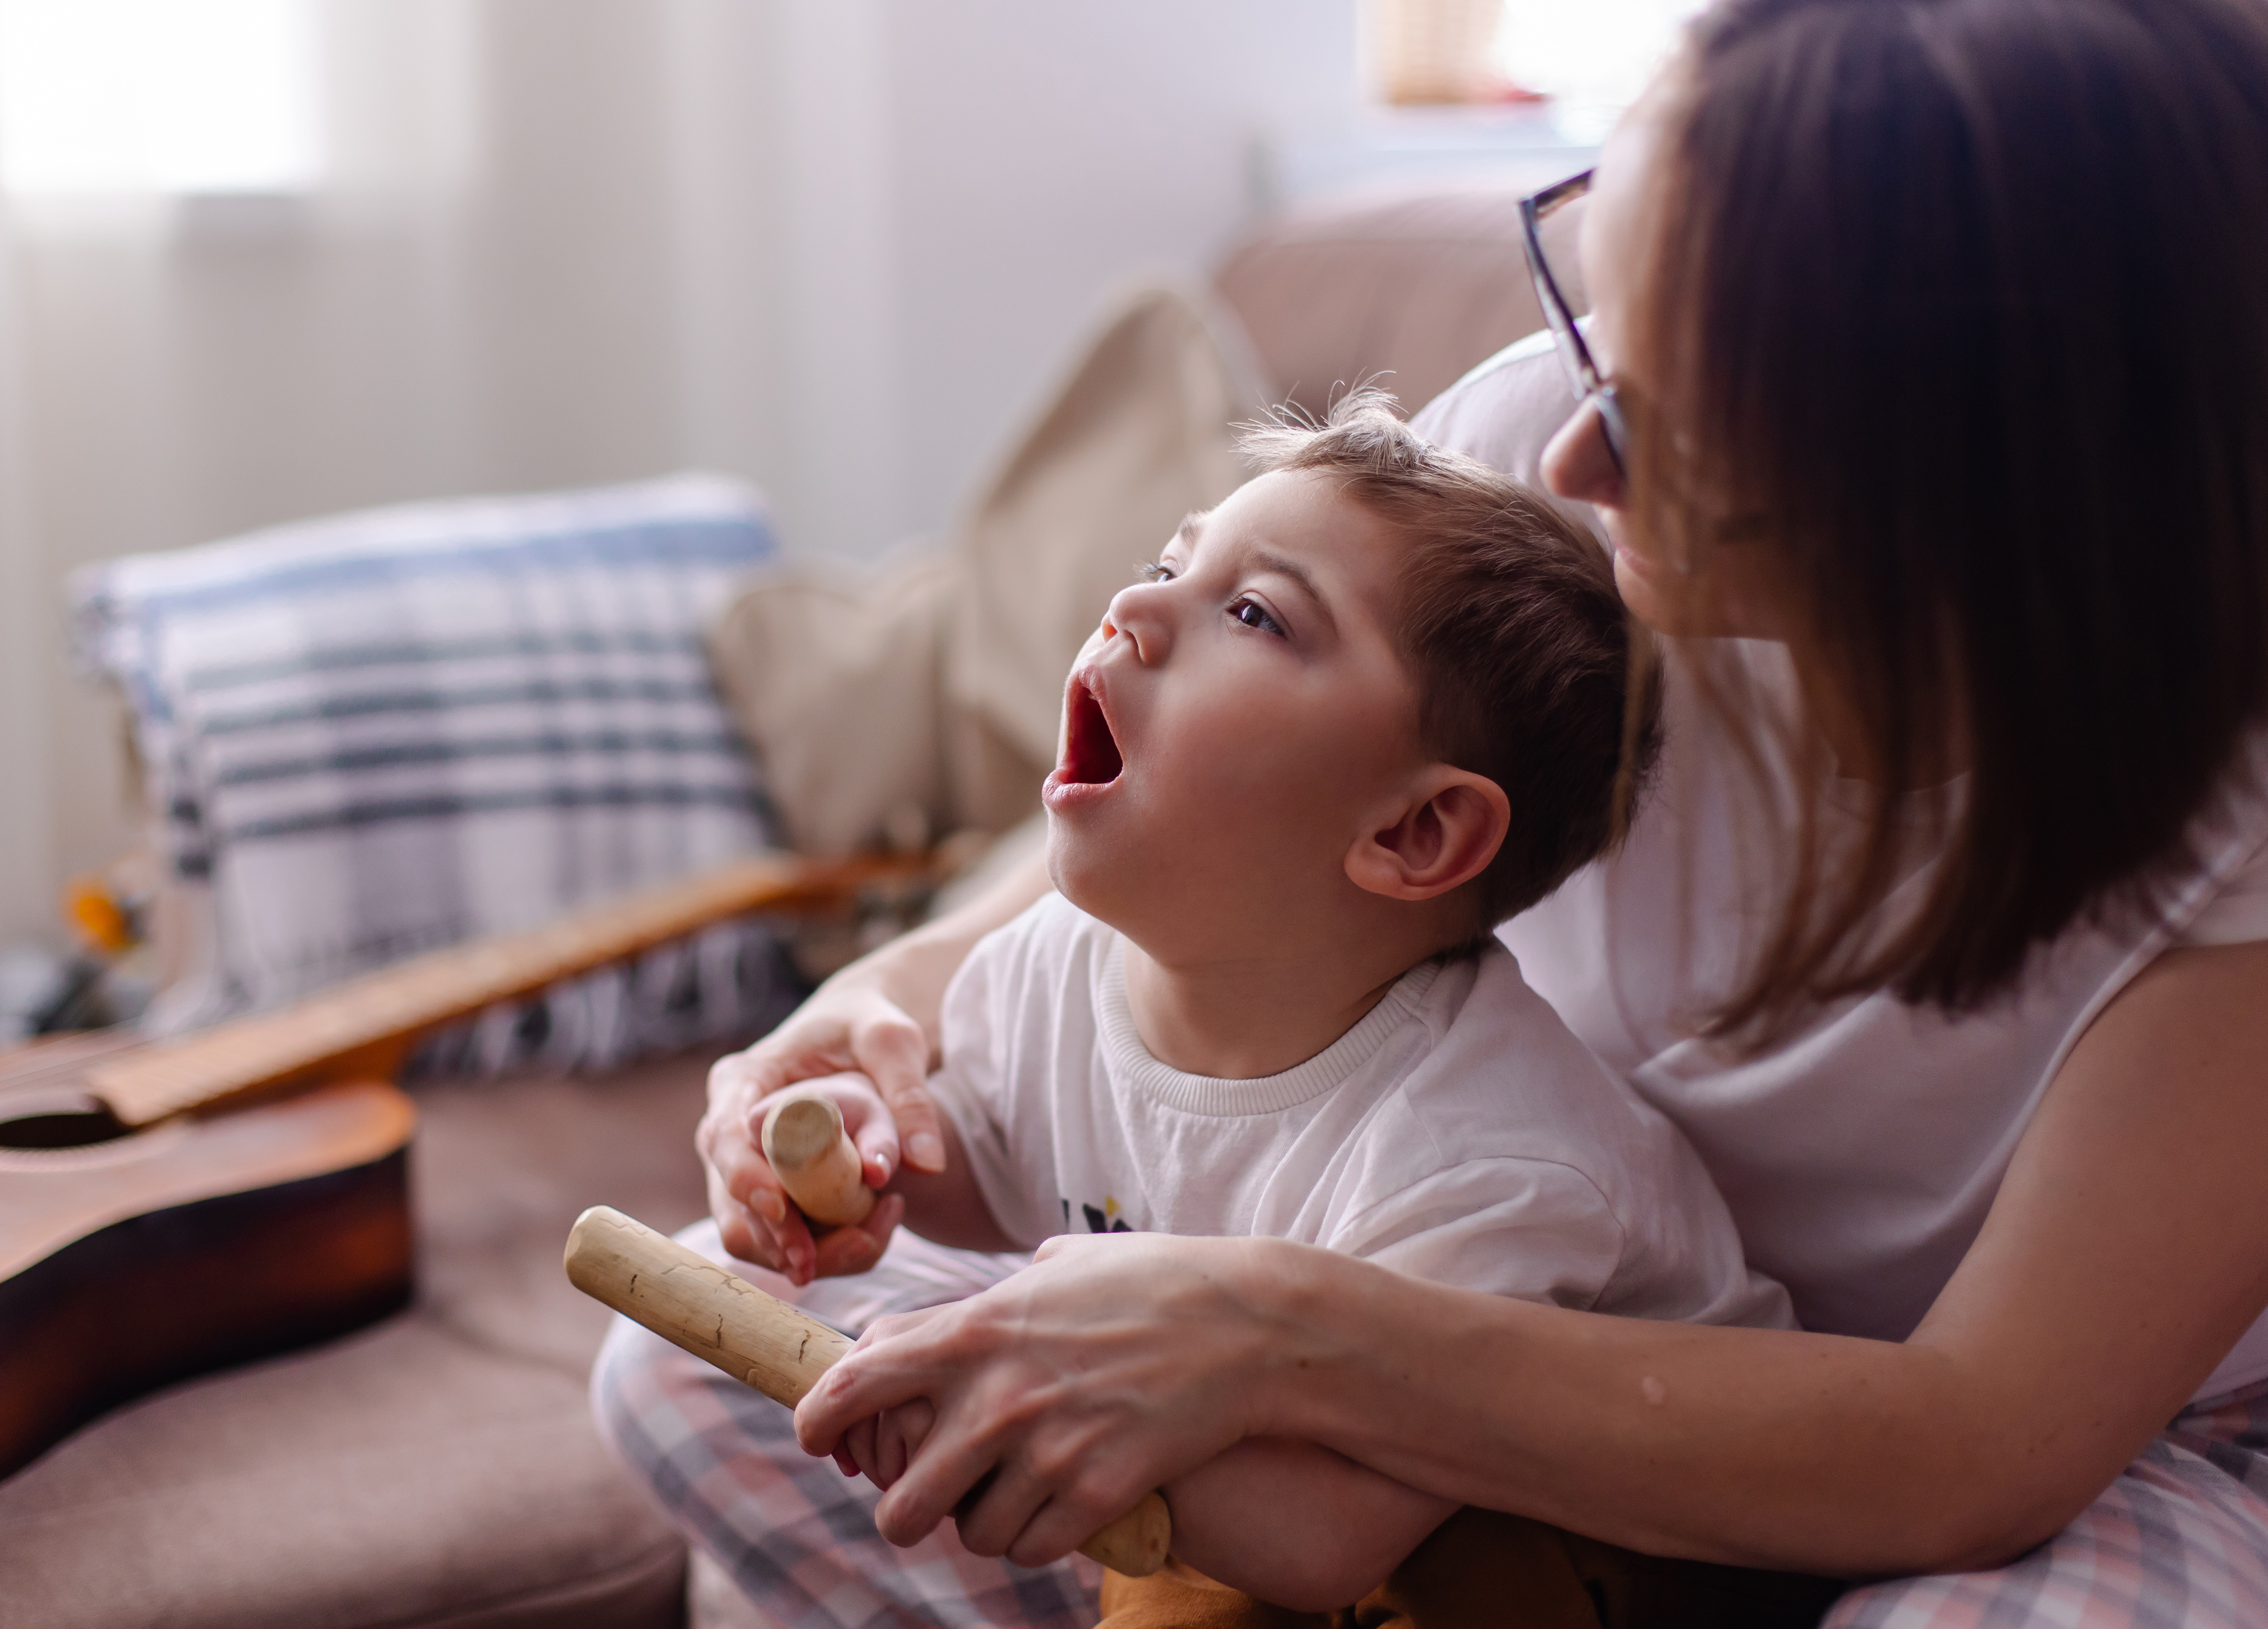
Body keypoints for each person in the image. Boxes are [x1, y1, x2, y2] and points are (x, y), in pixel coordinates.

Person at [603, 1, 2268, 1624]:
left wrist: (1272, 1329)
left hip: (2041, 1473)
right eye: (1594, 314)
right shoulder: (1529, 463)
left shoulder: (2232, 830)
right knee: (693, 1355)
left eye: (1657, 427)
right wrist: (873, 1017)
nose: (1566, 456)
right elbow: (1138, 875)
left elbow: (1974, 1452)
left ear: (1970, 504)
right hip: (1420, 1344)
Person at [763, 394, 1790, 1609]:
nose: (1132, 610)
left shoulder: (1492, 1154)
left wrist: (963, 1395)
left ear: (1414, 829)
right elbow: (991, 1165)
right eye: (1167, 563)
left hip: (1599, 1569)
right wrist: (859, 1153)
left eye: (1252, 615)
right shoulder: (1061, 961)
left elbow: (1320, 1532)